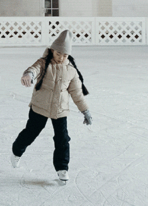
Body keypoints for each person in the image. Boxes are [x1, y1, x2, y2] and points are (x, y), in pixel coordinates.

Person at [11, 30, 92, 183]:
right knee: (31, 133)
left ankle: (62, 168)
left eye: (65, 55)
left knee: (62, 139)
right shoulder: (44, 62)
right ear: (52, 50)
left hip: (60, 110)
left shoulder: (71, 70)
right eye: (58, 53)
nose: (61, 57)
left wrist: (85, 110)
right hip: (40, 107)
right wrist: (29, 75)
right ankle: (16, 151)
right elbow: (34, 69)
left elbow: (77, 93)